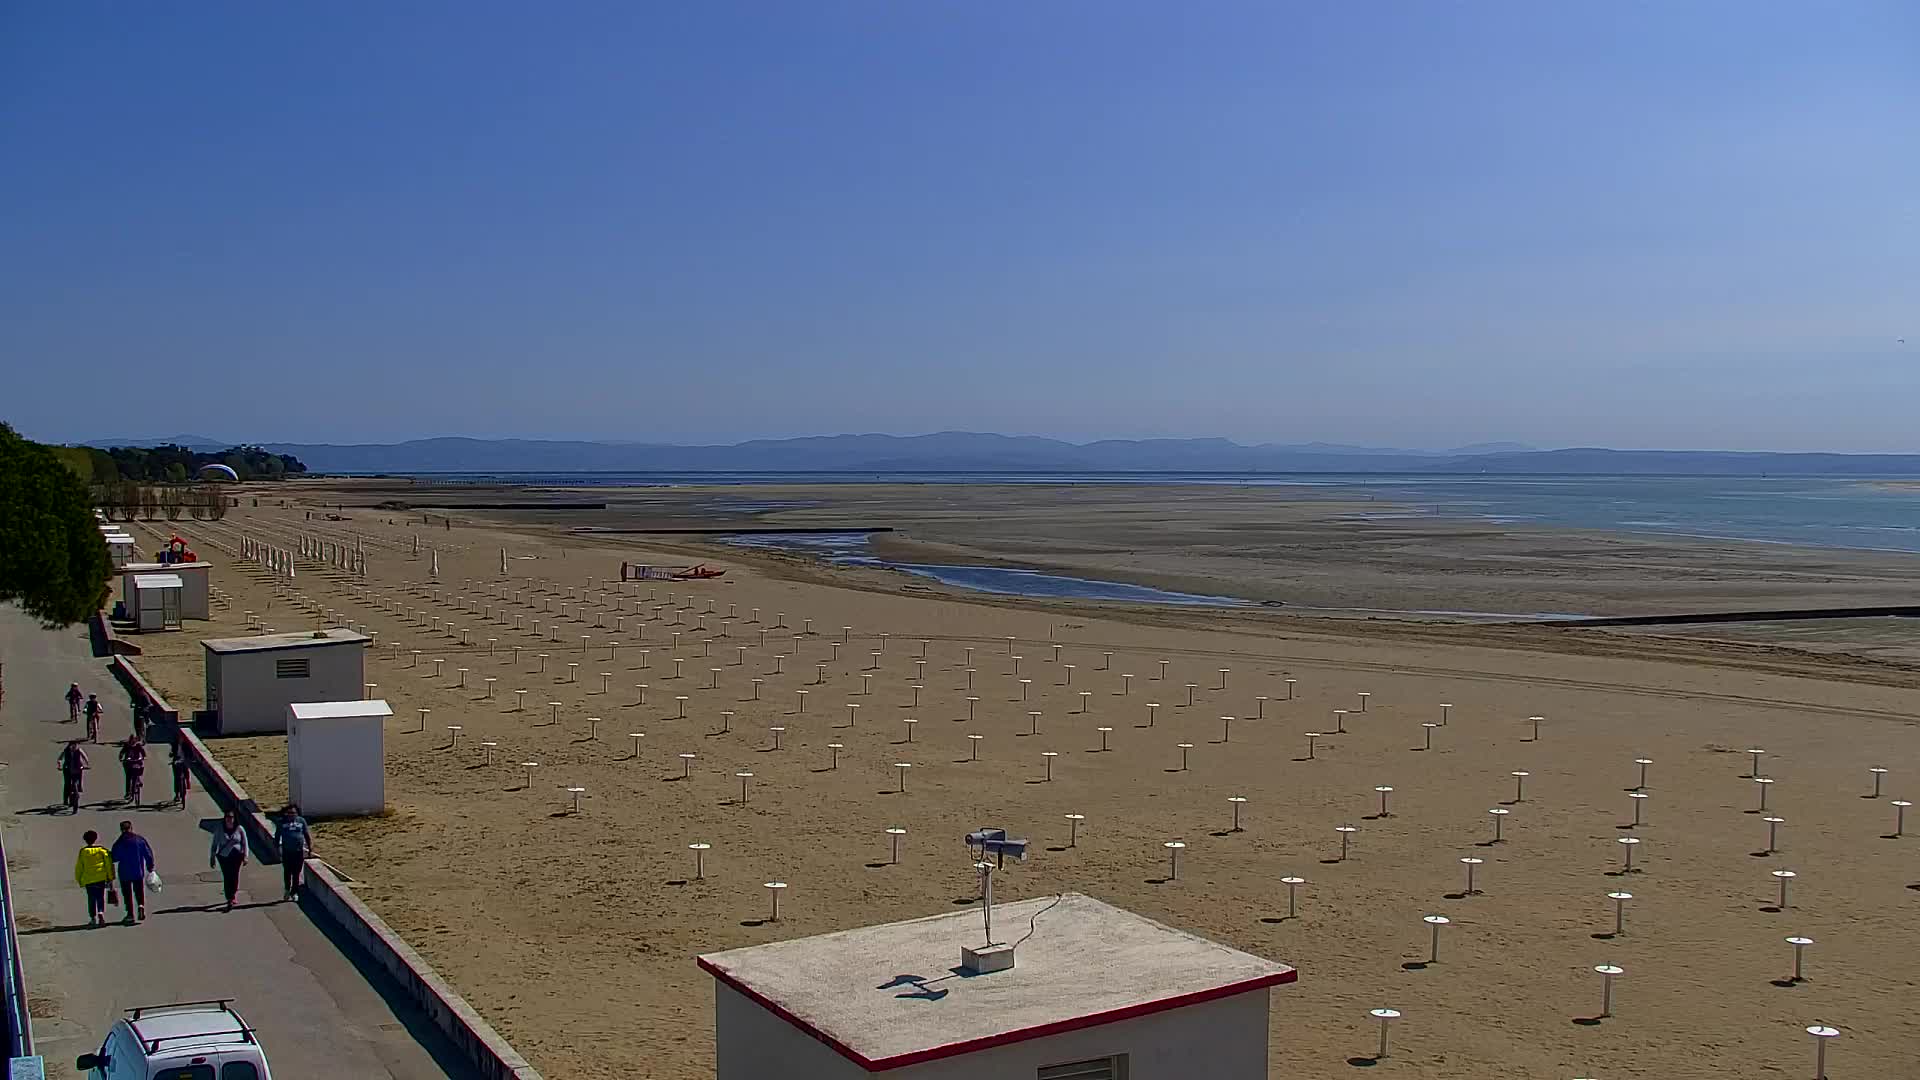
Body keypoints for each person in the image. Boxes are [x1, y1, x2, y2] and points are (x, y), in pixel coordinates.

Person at [109, 821, 154, 924]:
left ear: (121, 830)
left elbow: (115, 857)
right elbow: (148, 854)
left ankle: (130, 914)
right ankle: (141, 906)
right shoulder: (139, 840)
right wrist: (150, 866)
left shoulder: (120, 842)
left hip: (124, 872)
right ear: (131, 828)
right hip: (138, 870)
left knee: (127, 894)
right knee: (139, 891)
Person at [73, 830, 114, 928]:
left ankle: (93, 918)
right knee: (100, 897)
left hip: (89, 879)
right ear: (96, 838)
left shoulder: (83, 852)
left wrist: (79, 879)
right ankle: (100, 912)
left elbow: (79, 867)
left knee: (91, 899)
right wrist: (110, 877)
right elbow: (108, 865)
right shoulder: (102, 850)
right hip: (100, 878)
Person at [209, 810, 247, 911]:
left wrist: (245, 856)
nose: (229, 819)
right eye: (227, 817)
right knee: (227, 876)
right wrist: (212, 857)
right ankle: (229, 897)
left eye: (231, 817)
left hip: (237, 856)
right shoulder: (219, 829)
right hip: (224, 857)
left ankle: (233, 894)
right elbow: (214, 844)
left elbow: (245, 843)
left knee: (234, 876)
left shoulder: (239, 829)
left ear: (234, 819)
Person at [274, 804, 311, 902]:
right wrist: (277, 849)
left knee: (296, 873)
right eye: (289, 813)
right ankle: (287, 889)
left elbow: (306, 834)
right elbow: (277, 837)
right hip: (287, 852)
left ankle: (294, 892)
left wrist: (310, 847)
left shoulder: (301, 821)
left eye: (293, 813)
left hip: (298, 852)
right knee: (287, 872)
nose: (291, 815)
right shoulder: (281, 823)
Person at [57, 739, 88, 813]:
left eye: (75, 745)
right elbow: (60, 758)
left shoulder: (79, 750)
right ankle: (65, 799)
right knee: (67, 783)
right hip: (67, 770)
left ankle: (79, 788)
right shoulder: (66, 751)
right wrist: (59, 764)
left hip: (77, 769)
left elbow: (84, 757)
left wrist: (87, 763)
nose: (74, 747)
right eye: (72, 745)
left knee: (78, 780)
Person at [118, 735, 147, 805]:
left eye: (133, 742)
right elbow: (121, 753)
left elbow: (143, 753)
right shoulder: (126, 746)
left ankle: (139, 780)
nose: (132, 743)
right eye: (131, 742)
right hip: (129, 763)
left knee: (140, 769)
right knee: (128, 777)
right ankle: (128, 792)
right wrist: (121, 758)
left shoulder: (138, 746)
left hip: (137, 762)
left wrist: (144, 757)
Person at [169, 741, 192, 809]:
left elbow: (190, 754)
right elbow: (172, 753)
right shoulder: (175, 744)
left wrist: (191, 759)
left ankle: (187, 784)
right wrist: (172, 755)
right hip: (177, 762)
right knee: (176, 778)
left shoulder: (187, 744)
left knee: (186, 773)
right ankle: (177, 794)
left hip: (184, 762)